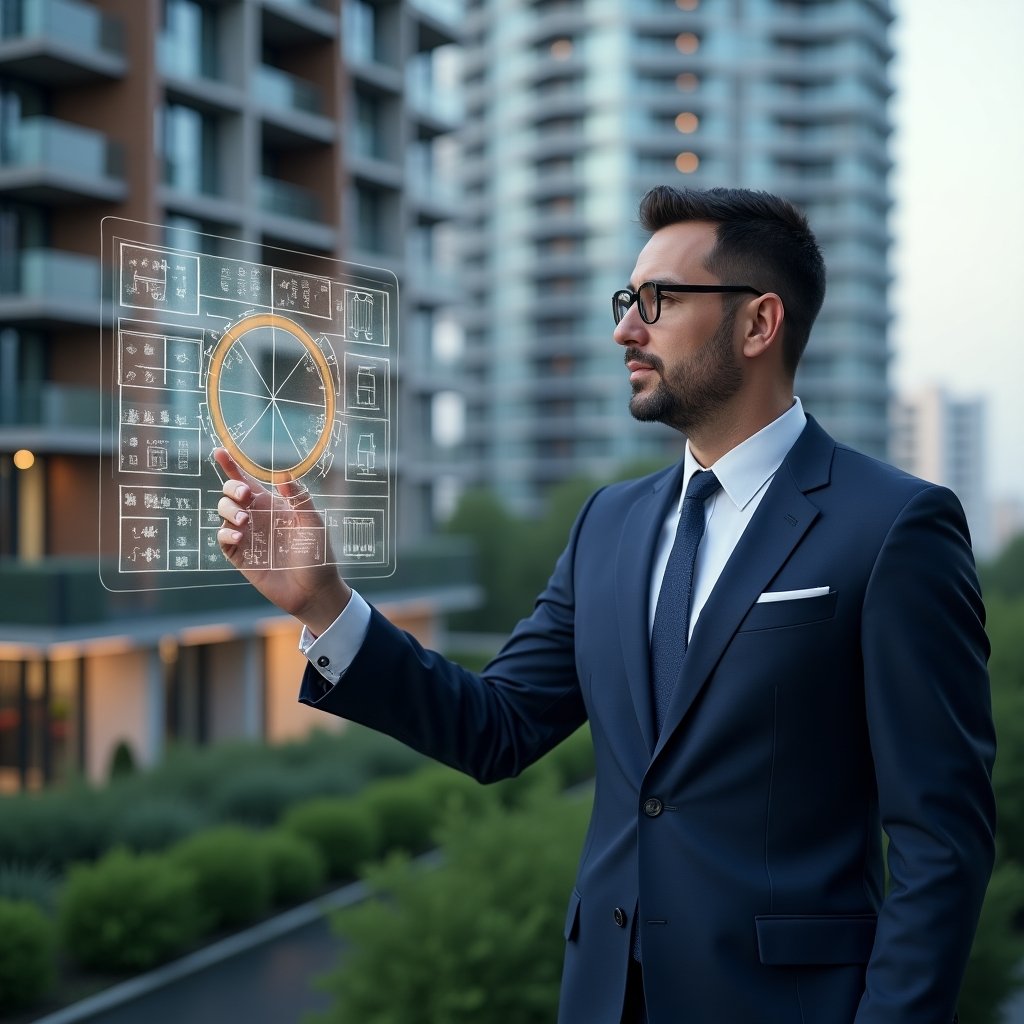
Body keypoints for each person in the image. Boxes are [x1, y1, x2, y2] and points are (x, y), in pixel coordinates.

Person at [215, 186, 995, 1024]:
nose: (626, 328)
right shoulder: (608, 525)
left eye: (658, 301)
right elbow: (497, 725)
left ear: (759, 323)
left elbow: (941, 842)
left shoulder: (892, 527)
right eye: (628, 300)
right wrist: (325, 603)